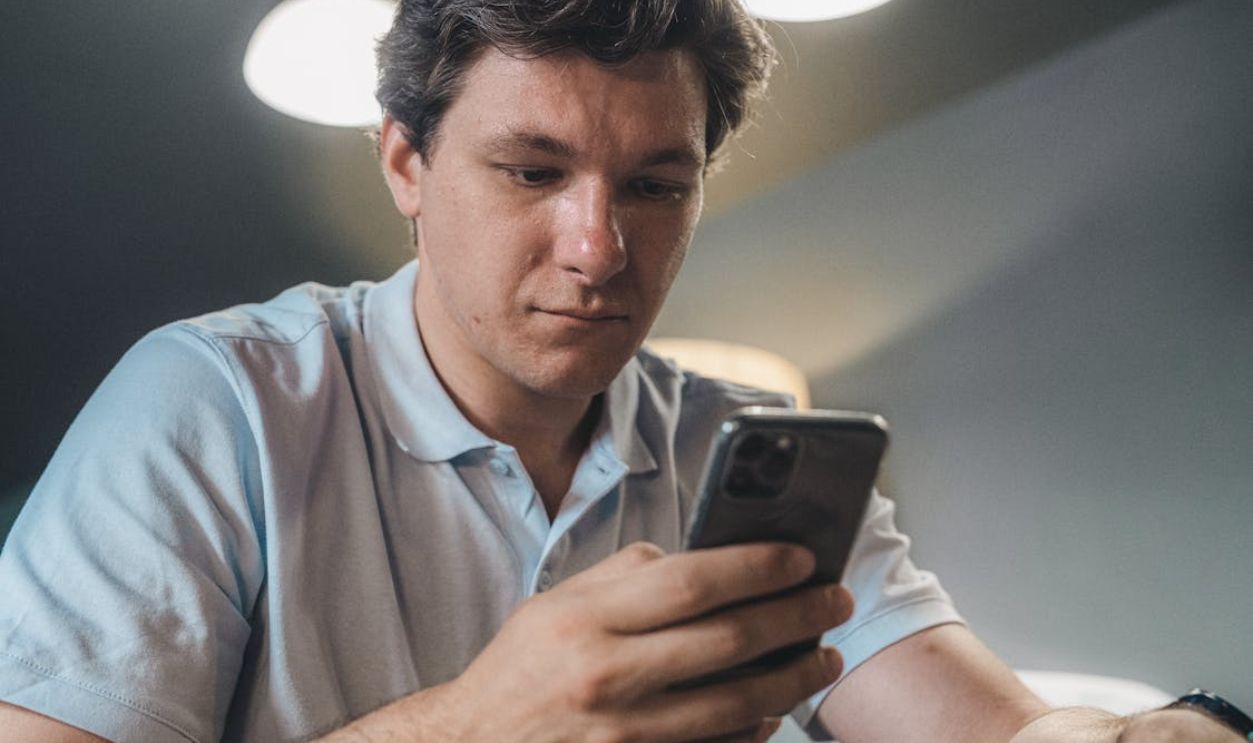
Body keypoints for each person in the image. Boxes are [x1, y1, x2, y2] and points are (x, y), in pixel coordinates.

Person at [0, 1, 1245, 741]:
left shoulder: (741, 445)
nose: (599, 250)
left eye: (655, 185)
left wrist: (1169, 728)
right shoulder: (208, 405)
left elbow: (996, 733)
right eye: (532, 173)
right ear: (404, 166)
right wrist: (485, 724)